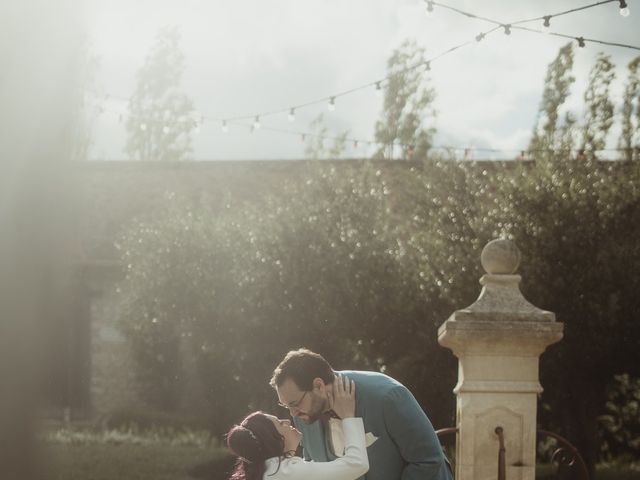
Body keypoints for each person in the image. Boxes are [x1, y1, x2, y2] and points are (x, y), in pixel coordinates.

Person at [270, 348, 452, 480]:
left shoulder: (388, 397)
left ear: (318, 385)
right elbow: (314, 468)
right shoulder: (302, 415)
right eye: (285, 406)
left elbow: (428, 462)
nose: (292, 413)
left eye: (294, 403)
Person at [226, 374, 369, 480]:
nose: (288, 421)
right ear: (274, 440)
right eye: (280, 423)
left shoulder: (269, 472)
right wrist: (349, 416)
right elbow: (356, 464)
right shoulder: (284, 473)